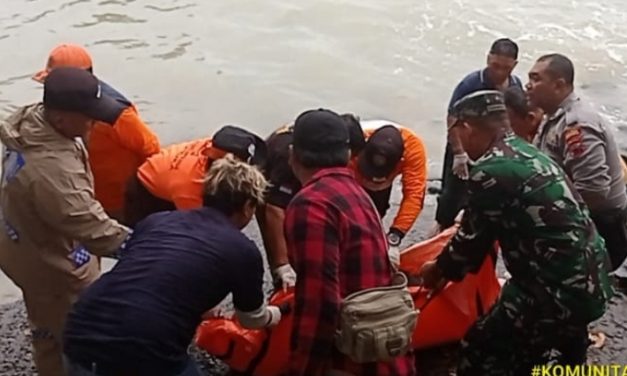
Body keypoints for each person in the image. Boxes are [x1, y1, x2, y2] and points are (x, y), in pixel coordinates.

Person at [418, 90, 614, 375]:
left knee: (479, 350)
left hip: (558, 292)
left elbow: (468, 249)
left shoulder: (490, 170)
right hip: (595, 279)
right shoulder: (529, 152)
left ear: (466, 128)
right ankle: (566, 356)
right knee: (542, 344)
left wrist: (435, 270)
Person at [63, 154, 283, 376]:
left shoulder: (158, 221)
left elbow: (156, 273)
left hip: (82, 328)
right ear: (247, 206)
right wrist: (276, 313)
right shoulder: (243, 250)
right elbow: (251, 319)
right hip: (143, 345)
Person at [0, 67, 132, 376]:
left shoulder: (33, 121)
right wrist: (149, 244)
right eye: (88, 116)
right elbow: (93, 228)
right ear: (60, 119)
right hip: (50, 265)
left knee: (46, 320)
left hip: (22, 240)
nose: (94, 121)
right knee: (72, 332)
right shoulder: (51, 172)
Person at [284, 108, 416, 375]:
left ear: (292, 156)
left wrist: (301, 369)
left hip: (351, 358)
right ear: (348, 155)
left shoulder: (311, 205)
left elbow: (319, 302)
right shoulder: (359, 194)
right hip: (386, 347)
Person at [32, 43, 161, 221]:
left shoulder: (117, 115)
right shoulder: (60, 110)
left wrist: (142, 193)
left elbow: (151, 148)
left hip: (120, 201)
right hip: (91, 195)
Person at [527, 53, 627, 280]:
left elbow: (594, 191)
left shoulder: (577, 125)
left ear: (558, 85)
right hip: (578, 218)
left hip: (598, 227)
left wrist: (548, 218)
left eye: (536, 79)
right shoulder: (553, 118)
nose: (529, 85)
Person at [257, 114, 365, 291]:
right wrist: (283, 265)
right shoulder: (292, 157)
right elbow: (274, 210)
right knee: (277, 240)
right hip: (269, 181)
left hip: (295, 173)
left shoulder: (326, 134)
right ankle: (281, 283)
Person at [434, 38, 523, 233]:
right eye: (495, 65)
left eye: (505, 68)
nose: (499, 72)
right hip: (464, 146)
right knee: (451, 197)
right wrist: (459, 153)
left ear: (515, 65)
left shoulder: (516, 85)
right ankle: (440, 230)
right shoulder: (471, 83)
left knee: (482, 199)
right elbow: (452, 119)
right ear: (488, 58)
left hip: (492, 151)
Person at [124, 125, 267, 227]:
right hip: (147, 195)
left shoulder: (217, 146)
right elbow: (201, 227)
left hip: (168, 175)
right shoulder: (190, 185)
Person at [352, 122, 428, 255]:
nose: (375, 180)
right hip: (355, 172)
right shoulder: (354, 145)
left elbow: (414, 195)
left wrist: (396, 234)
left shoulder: (413, 150)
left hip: (385, 182)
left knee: (376, 213)